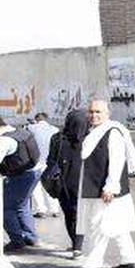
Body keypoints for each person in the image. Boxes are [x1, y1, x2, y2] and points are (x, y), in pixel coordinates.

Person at [75, 100, 135, 268]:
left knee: (99, 226)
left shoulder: (112, 132)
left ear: (107, 114)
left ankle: (93, 265)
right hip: (97, 186)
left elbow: (117, 161)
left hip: (105, 189)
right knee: (118, 226)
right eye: (91, 111)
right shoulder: (94, 132)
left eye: (98, 112)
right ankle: (129, 259)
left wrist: (110, 187)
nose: (94, 115)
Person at [48, 109, 87, 256]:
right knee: (79, 214)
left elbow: (50, 161)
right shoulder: (90, 138)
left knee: (69, 214)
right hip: (84, 183)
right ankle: (77, 246)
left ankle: (75, 244)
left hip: (62, 183)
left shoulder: (57, 138)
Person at [1, 118, 41, 254]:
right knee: (22, 205)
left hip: (20, 176)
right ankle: (31, 238)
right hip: (34, 171)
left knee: (6, 208)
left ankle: (17, 241)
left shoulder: (4, 140)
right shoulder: (19, 131)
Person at [28, 112, 61, 218]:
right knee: (50, 185)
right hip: (50, 163)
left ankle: (41, 210)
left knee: (36, 187)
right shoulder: (55, 129)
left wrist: (32, 124)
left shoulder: (31, 127)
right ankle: (55, 210)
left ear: (36, 119)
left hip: (36, 162)